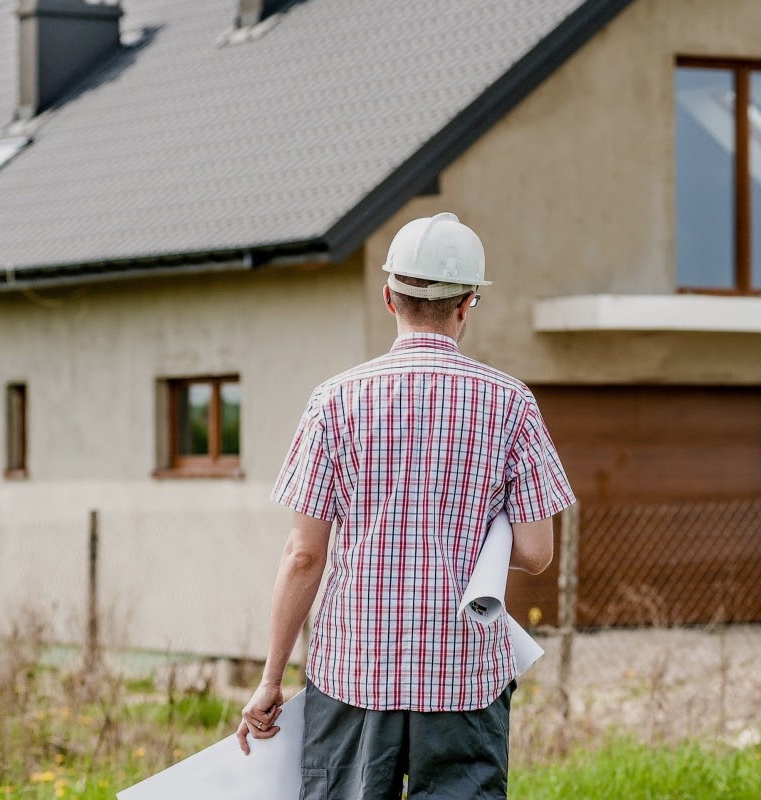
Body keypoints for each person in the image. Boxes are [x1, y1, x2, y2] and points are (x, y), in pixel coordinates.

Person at [236, 212, 575, 799]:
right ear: (468, 304)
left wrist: (271, 680)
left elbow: (302, 555)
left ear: (389, 296)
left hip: (353, 673)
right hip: (465, 677)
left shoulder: (334, 400)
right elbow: (537, 552)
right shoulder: (511, 403)